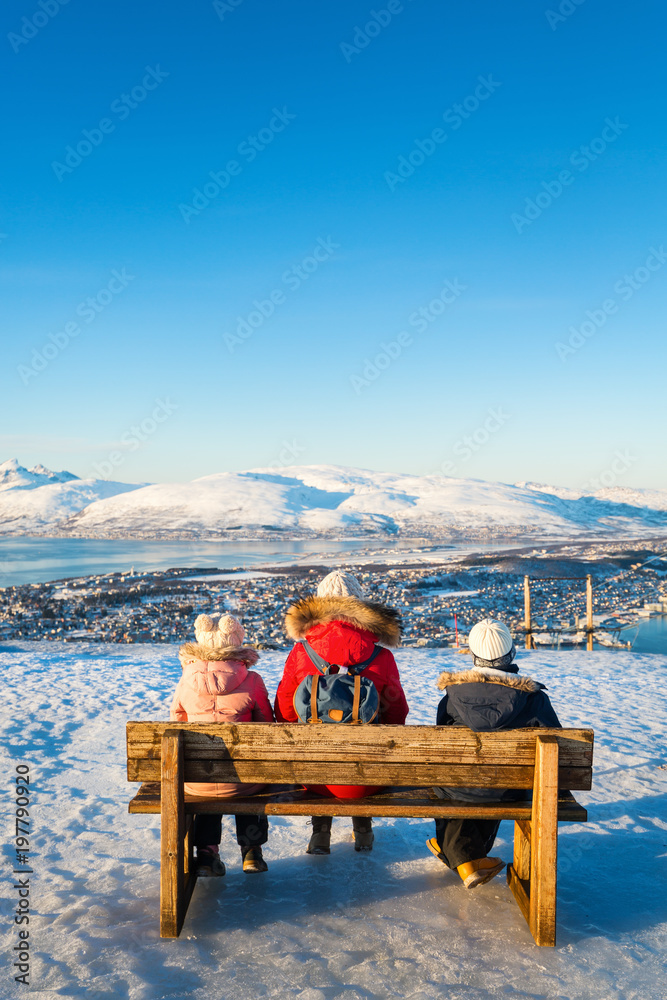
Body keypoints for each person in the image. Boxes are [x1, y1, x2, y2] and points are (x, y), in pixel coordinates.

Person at [275, 569, 409, 854]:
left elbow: (285, 710)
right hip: (366, 779)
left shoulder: (302, 653)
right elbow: (397, 713)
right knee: (364, 747)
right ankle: (363, 830)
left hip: (314, 776)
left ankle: (320, 833)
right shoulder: (381, 656)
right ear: (362, 607)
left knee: (321, 747)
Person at [426, 618, 561, 888]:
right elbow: (560, 747)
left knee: (455, 784)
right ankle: (461, 855)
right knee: (494, 784)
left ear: (474, 656)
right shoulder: (534, 700)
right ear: (511, 654)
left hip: (459, 786)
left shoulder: (452, 699)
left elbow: (442, 749)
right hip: (511, 788)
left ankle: (457, 853)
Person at [170, 612, 274, 876]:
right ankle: (251, 852)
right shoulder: (252, 680)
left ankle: (206, 854)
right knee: (247, 776)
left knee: (205, 781)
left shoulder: (185, 681)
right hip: (244, 781)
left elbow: (176, 723)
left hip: (196, 779)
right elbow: (267, 728)